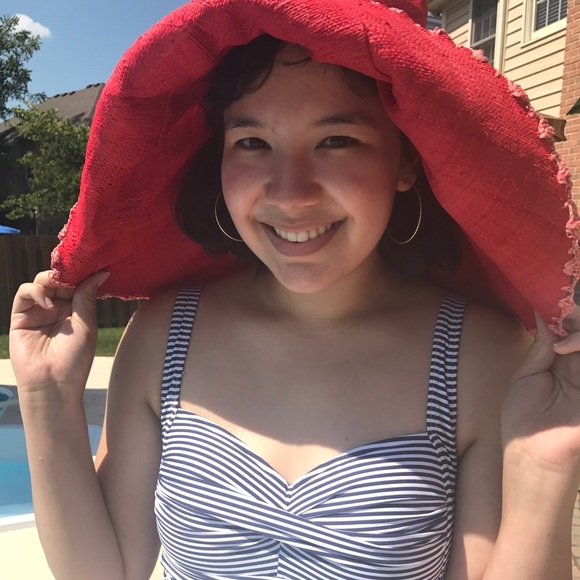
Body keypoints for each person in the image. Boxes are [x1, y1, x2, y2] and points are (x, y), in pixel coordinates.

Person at [8, 0, 580, 579]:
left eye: (336, 140)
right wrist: (47, 399)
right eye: (252, 143)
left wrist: (545, 466)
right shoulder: (164, 334)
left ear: (406, 160)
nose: (290, 193)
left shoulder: (482, 357)